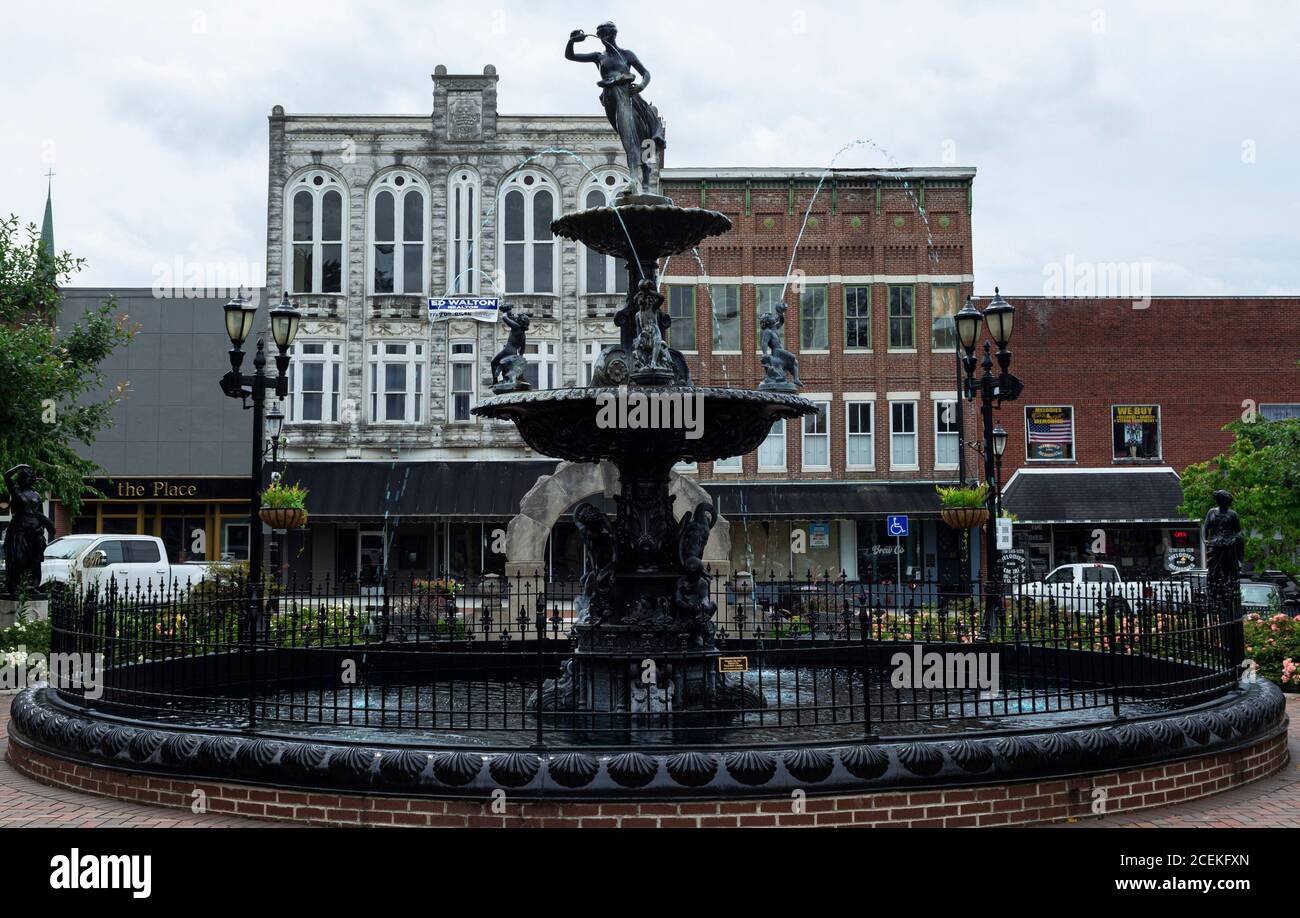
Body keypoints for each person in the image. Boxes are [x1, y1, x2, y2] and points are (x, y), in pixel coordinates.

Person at [565, 22, 665, 194]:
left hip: (626, 95)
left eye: (608, 34)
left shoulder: (626, 54)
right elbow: (570, 56)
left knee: (631, 136)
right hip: (610, 99)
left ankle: (636, 179)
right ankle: (640, 173)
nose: (605, 38)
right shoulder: (599, 57)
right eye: (602, 35)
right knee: (627, 135)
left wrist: (640, 86)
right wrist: (572, 41)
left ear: (614, 35)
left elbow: (646, 73)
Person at [3, 465, 56, 597]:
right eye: (25, 476)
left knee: (35, 561)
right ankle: (14, 586)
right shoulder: (16, 492)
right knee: (18, 559)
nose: (28, 479)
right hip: (19, 531)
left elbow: (40, 514)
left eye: (30, 476)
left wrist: (42, 528)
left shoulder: (36, 495)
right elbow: (6, 476)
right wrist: (20, 466)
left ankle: (32, 585)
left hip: (34, 531)